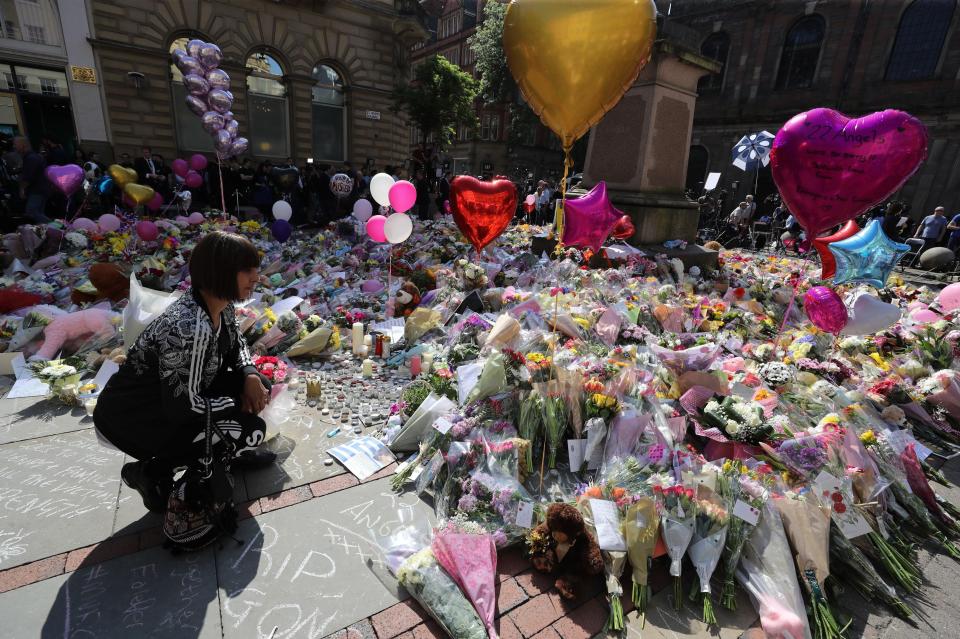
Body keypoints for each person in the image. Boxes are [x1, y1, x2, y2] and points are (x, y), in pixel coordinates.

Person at [94, 231, 276, 513]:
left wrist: (250, 374)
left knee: (259, 384)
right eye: (246, 270)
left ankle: (223, 454)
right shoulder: (188, 327)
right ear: (220, 271)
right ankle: (153, 473)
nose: (256, 277)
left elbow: (236, 342)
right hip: (137, 418)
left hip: (178, 398)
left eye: (255, 269)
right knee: (249, 430)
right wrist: (238, 403)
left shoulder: (219, 304)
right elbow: (183, 408)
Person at [14, 136, 49, 223]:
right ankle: (48, 231)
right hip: (41, 189)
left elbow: (28, 177)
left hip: (37, 190)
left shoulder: (31, 158)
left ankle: (56, 228)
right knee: (39, 213)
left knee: (31, 212)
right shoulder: (32, 157)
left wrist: (22, 189)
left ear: (23, 145)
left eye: (16, 144)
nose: (14, 147)